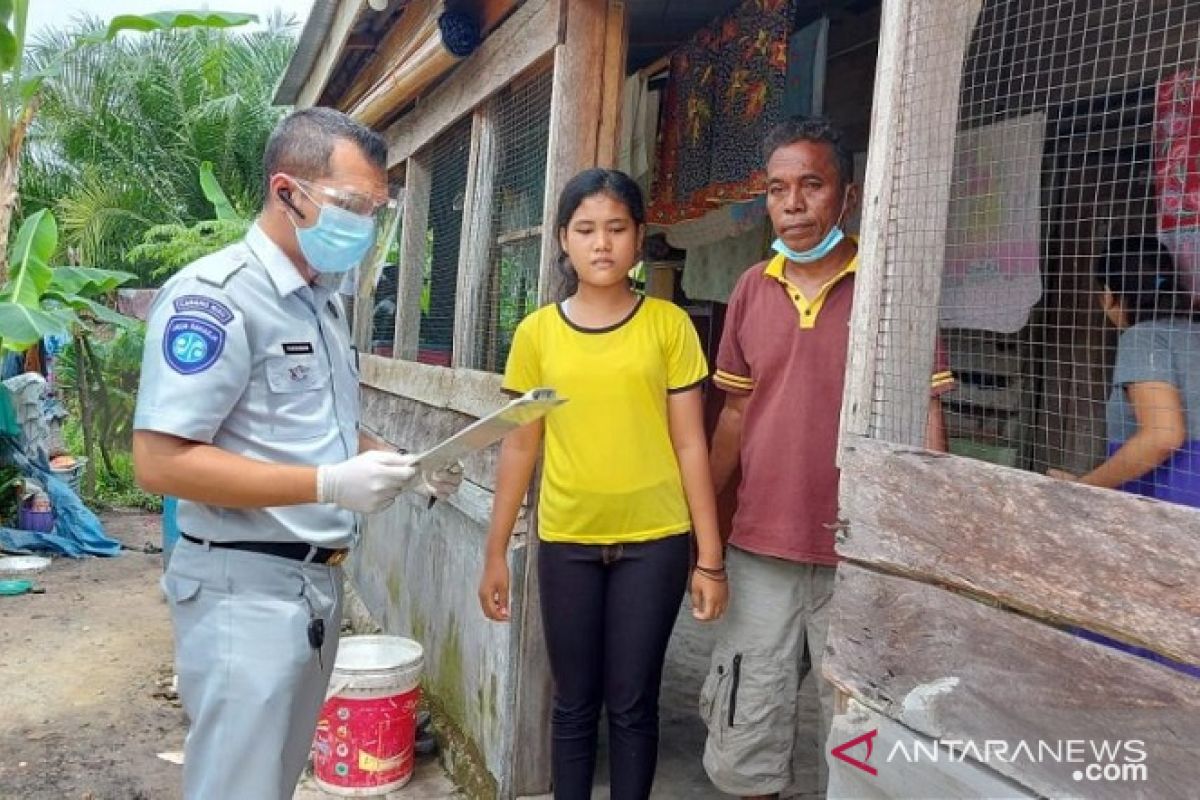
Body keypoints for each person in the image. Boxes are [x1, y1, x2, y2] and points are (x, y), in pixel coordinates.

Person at [132, 108, 462, 800]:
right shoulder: (216, 300)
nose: (366, 224)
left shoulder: (322, 301)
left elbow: (322, 429)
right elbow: (160, 461)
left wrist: (398, 459)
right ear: (288, 192)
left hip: (311, 587)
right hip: (240, 589)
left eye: (377, 208)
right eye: (351, 204)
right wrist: (329, 484)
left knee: (271, 784)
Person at [701, 118, 953, 799]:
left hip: (863, 550)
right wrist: (695, 519)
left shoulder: (888, 290)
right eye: (778, 189)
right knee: (747, 703)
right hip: (760, 545)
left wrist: (923, 548)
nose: (793, 203)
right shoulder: (752, 287)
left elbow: (927, 414)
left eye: (812, 185)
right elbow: (733, 415)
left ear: (847, 195)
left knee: (858, 717)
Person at [478, 168, 729, 800]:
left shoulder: (668, 327)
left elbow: (690, 442)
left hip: (657, 542)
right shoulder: (537, 334)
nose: (602, 244)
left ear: (639, 236)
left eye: (616, 228)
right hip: (566, 540)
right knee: (573, 703)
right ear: (563, 239)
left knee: (632, 702)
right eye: (586, 229)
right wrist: (495, 552)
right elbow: (520, 444)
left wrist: (711, 557)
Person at [1048, 236, 1200, 504]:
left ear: (1109, 295)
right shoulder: (1191, 335)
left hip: (1173, 500)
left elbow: (1163, 436)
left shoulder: (1144, 338)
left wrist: (1084, 489)